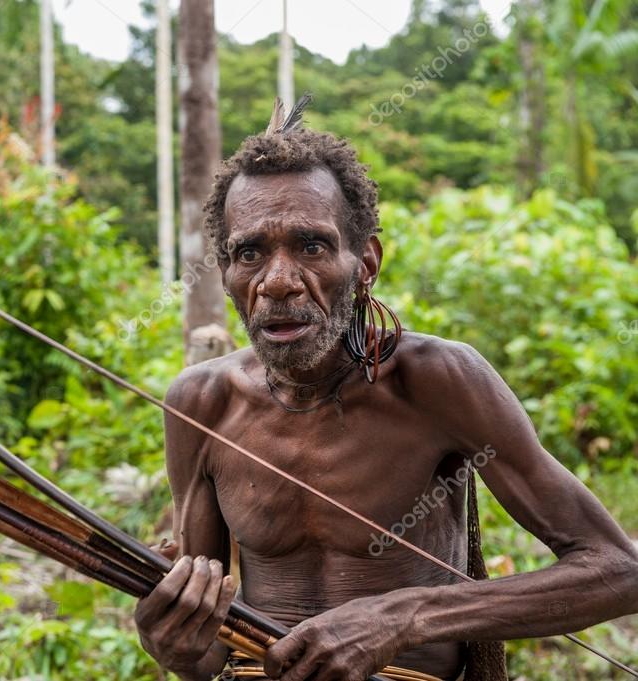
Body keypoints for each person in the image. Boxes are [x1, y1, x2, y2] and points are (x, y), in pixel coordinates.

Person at [133, 115, 638, 681]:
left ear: (366, 263)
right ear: (226, 273)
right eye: (249, 253)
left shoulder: (437, 382)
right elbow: (207, 654)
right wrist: (176, 645)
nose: (277, 281)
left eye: (311, 246)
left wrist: (404, 616)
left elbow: (619, 571)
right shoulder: (201, 404)